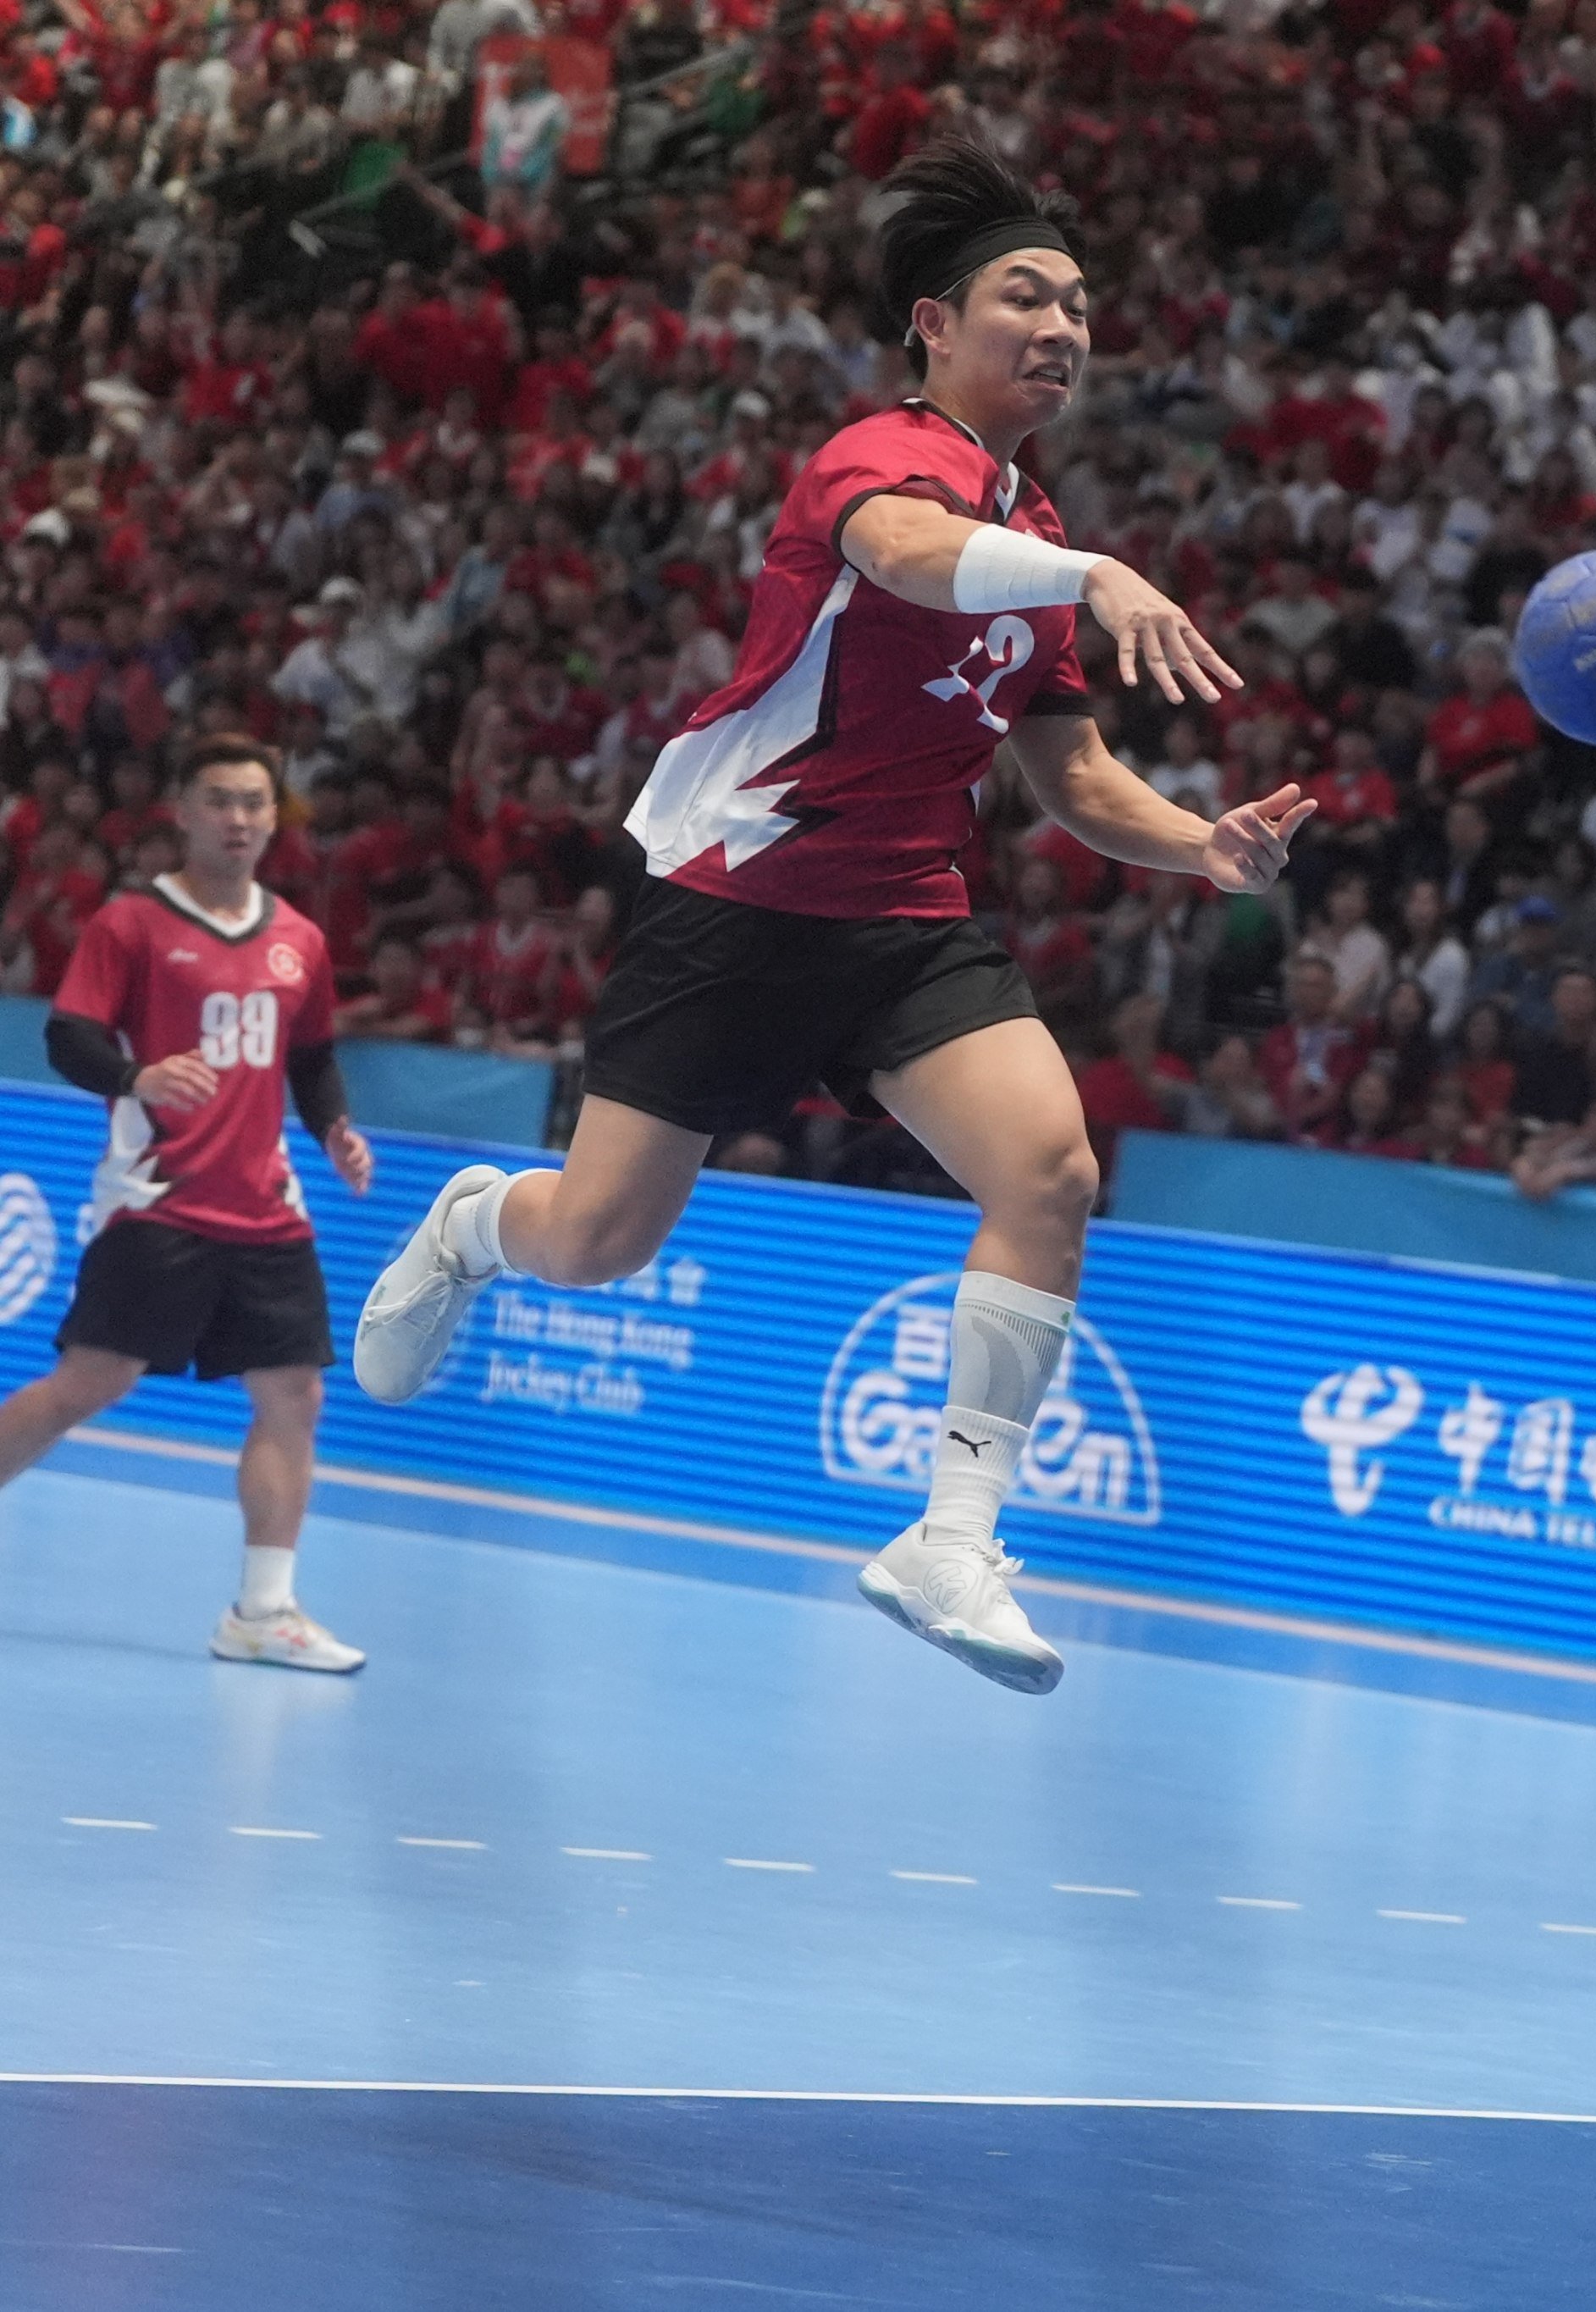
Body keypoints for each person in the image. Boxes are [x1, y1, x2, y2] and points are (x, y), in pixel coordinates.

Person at [347, 142, 1308, 1698]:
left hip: (905, 914)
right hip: (739, 896)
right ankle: (472, 1224)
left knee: (1052, 1170)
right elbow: (909, 561)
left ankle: (949, 1535)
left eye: (1079, 302)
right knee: (594, 1246)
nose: (1065, 326)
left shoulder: (1039, 531)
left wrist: (1205, 847)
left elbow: (1069, 772)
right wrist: (1096, 564)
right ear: (934, 320)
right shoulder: (877, 458)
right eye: (1027, 295)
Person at [0, 737, 375, 1669]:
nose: (240, 819)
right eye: (220, 800)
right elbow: (69, 1037)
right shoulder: (130, 924)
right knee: (89, 1386)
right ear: (182, 810)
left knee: (295, 1396)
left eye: (254, 802)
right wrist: (138, 1074)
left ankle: (263, 1611)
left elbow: (313, 1055)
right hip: (158, 1200)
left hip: (269, 1208)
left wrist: (333, 1128)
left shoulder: (301, 940)